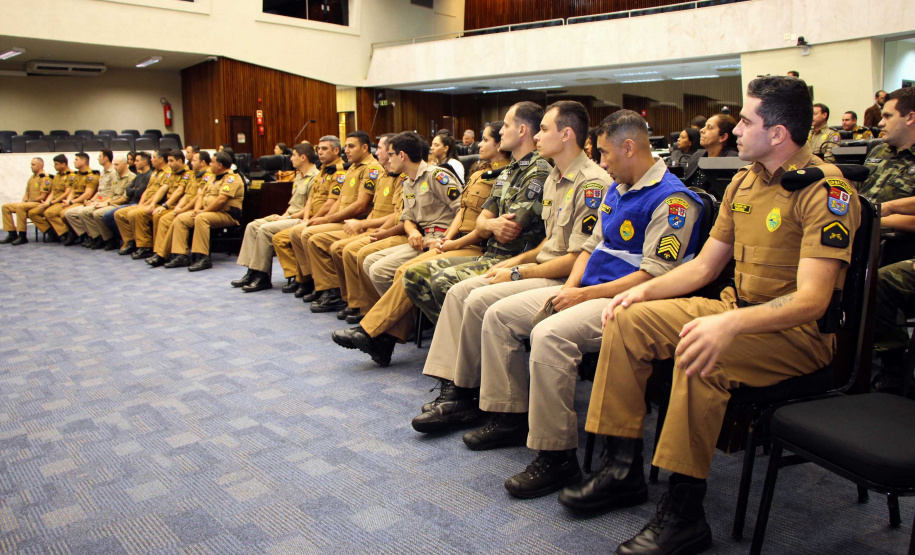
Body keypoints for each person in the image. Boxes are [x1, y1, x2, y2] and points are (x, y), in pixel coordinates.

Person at [564, 75, 860, 555]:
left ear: (779, 133)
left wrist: (730, 324)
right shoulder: (745, 182)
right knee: (625, 319)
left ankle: (685, 512)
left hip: (795, 333)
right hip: (735, 309)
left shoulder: (825, 192)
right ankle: (622, 468)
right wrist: (641, 293)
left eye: (745, 120)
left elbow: (813, 301)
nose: (735, 130)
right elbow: (704, 266)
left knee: (702, 349)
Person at [475, 110, 703, 500]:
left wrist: (580, 296)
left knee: (549, 336)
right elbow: (590, 247)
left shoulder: (674, 200)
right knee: (499, 314)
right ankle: (509, 415)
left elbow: (654, 278)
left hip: (628, 301)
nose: (602, 163)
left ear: (629, 148)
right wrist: (571, 287)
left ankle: (557, 455)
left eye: (606, 154)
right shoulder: (618, 187)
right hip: (588, 290)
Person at [413, 100, 603, 433]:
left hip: (563, 278)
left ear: (567, 134)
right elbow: (546, 245)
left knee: (476, 300)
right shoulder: (555, 177)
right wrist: (512, 265)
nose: (538, 136)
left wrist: (515, 272)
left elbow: (576, 259)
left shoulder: (592, 185)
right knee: (461, 292)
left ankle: (499, 408)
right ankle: (459, 391)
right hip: (543, 267)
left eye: (544, 129)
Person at [332, 122, 512, 364]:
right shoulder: (478, 174)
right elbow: (452, 212)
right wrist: (438, 238)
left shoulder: (494, 177)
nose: (480, 144)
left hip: (467, 243)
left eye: (486, 140)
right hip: (444, 239)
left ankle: (375, 333)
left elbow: (473, 220)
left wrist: (447, 240)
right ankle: (382, 334)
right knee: (386, 267)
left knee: (405, 271)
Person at [403, 102, 549, 330]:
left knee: (442, 281)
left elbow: (509, 230)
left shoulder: (538, 172)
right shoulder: (508, 171)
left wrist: (489, 225)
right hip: (489, 254)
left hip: (510, 258)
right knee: (414, 275)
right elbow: (482, 223)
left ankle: (464, 344)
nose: (501, 131)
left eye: (506, 126)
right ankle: (459, 338)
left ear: (521, 131)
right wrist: (490, 223)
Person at [303, 134, 400, 307]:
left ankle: (354, 301)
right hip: (366, 224)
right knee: (315, 238)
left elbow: (365, 206)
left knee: (342, 248)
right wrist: (325, 219)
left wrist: (364, 225)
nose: (345, 150)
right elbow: (371, 208)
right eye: (345, 146)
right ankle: (332, 291)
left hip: (373, 225)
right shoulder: (374, 172)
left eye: (351, 146)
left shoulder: (374, 170)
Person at [860, 87, 915, 393]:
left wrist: (881, 219)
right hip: (869, 237)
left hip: (900, 245)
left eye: (888, 115)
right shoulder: (878, 152)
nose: (880, 122)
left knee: (880, 280)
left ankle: (892, 368)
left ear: (910, 118)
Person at [230, 143, 319, 290]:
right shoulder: (299, 176)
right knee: (252, 226)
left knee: (265, 229)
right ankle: (252, 271)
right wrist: (283, 216)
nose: (290, 159)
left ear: (303, 157)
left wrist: (287, 218)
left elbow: (309, 208)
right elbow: (293, 203)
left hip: (299, 218)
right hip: (289, 216)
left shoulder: (315, 177)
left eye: (294, 155)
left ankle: (263, 276)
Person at [272, 136, 348, 297]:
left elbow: (330, 203)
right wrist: (307, 218)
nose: (320, 152)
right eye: (318, 149)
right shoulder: (323, 170)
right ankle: (308, 279)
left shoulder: (340, 172)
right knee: (294, 233)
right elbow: (311, 199)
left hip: (331, 217)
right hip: (315, 216)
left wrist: (313, 220)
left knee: (303, 233)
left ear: (336, 150)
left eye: (324, 149)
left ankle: (316, 283)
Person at [163, 152, 244, 271]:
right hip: (208, 212)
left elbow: (221, 200)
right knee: (181, 218)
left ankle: (203, 258)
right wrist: (196, 210)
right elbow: (201, 195)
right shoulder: (212, 177)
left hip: (226, 214)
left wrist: (203, 212)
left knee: (202, 218)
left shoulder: (232, 179)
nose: (210, 164)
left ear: (220, 165)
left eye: (212, 162)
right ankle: (180, 255)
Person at [147, 150, 214, 267]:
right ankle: (160, 253)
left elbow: (199, 197)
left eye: (194, 160)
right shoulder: (193, 174)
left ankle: (165, 255)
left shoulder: (208, 175)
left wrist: (181, 210)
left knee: (174, 219)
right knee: (164, 219)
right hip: (187, 206)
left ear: (203, 162)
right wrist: (177, 208)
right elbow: (187, 194)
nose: (190, 162)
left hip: (198, 208)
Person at [114, 150, 168, 256]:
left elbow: (159, 192)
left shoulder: (167, 173)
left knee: (134, 213)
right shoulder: (155, 173)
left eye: (154, 157)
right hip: (146, 202)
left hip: (156, 203)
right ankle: (131, 241)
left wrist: (146, 204)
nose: (151, 159)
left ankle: (145, 246)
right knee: (119, 214)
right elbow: (147, 190)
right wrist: (141, 204)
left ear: (161, 159)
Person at [65, 149, 119, 247]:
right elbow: (99, 190)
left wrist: (98, 202)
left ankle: (100, 237)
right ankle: (89, 235)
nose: (98, 158)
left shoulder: (113, 172)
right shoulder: (103, 171)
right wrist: (92, 200)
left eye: (100, 156)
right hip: (99, 199)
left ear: (106, 158)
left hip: (107, 200)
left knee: (84, 212)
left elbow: (112, 192)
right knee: (69, 213)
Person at [102, 152, 152, 250]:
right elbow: (128, 191)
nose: (134, 163)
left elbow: (139, 193)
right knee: (112, 215)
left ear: (145, 162)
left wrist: (134, 189)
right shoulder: (138, 176)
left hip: (139, 203)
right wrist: (135, 189)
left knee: (113, 215)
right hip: (133, 202)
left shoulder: (149, 175)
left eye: (137, 161)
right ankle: (128, 239)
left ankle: (131, 240)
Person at [0, 157, 51, 245]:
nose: (31, 166)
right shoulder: (32, 178)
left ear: (40, 165)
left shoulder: (45, 178)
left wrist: (28, 201)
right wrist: (24, 200)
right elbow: (27, 193)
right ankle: (12, 234)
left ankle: (22, 236)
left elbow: (43, 196)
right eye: (31, 164)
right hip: (29, 203)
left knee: (21, 207)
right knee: (6, 207)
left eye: (33, 164)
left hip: (38, 203)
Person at [683, 114, 739, 187]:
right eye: (704, 126)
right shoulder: (697, 156)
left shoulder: (733, 161)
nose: (701, 130)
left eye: (709, 127)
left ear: (723, 137)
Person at [28, 155, 74, 242]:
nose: (54, 166)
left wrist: (51, 203)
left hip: (63, 202)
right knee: (32, 213)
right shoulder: (57, 176)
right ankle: (51, 231)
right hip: (54, 202)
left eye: (56, 164)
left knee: (48, 213)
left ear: (63, 164)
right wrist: (46, 203)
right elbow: (52, 192)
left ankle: (66, 233)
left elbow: (66, 193)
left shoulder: (70, 175)